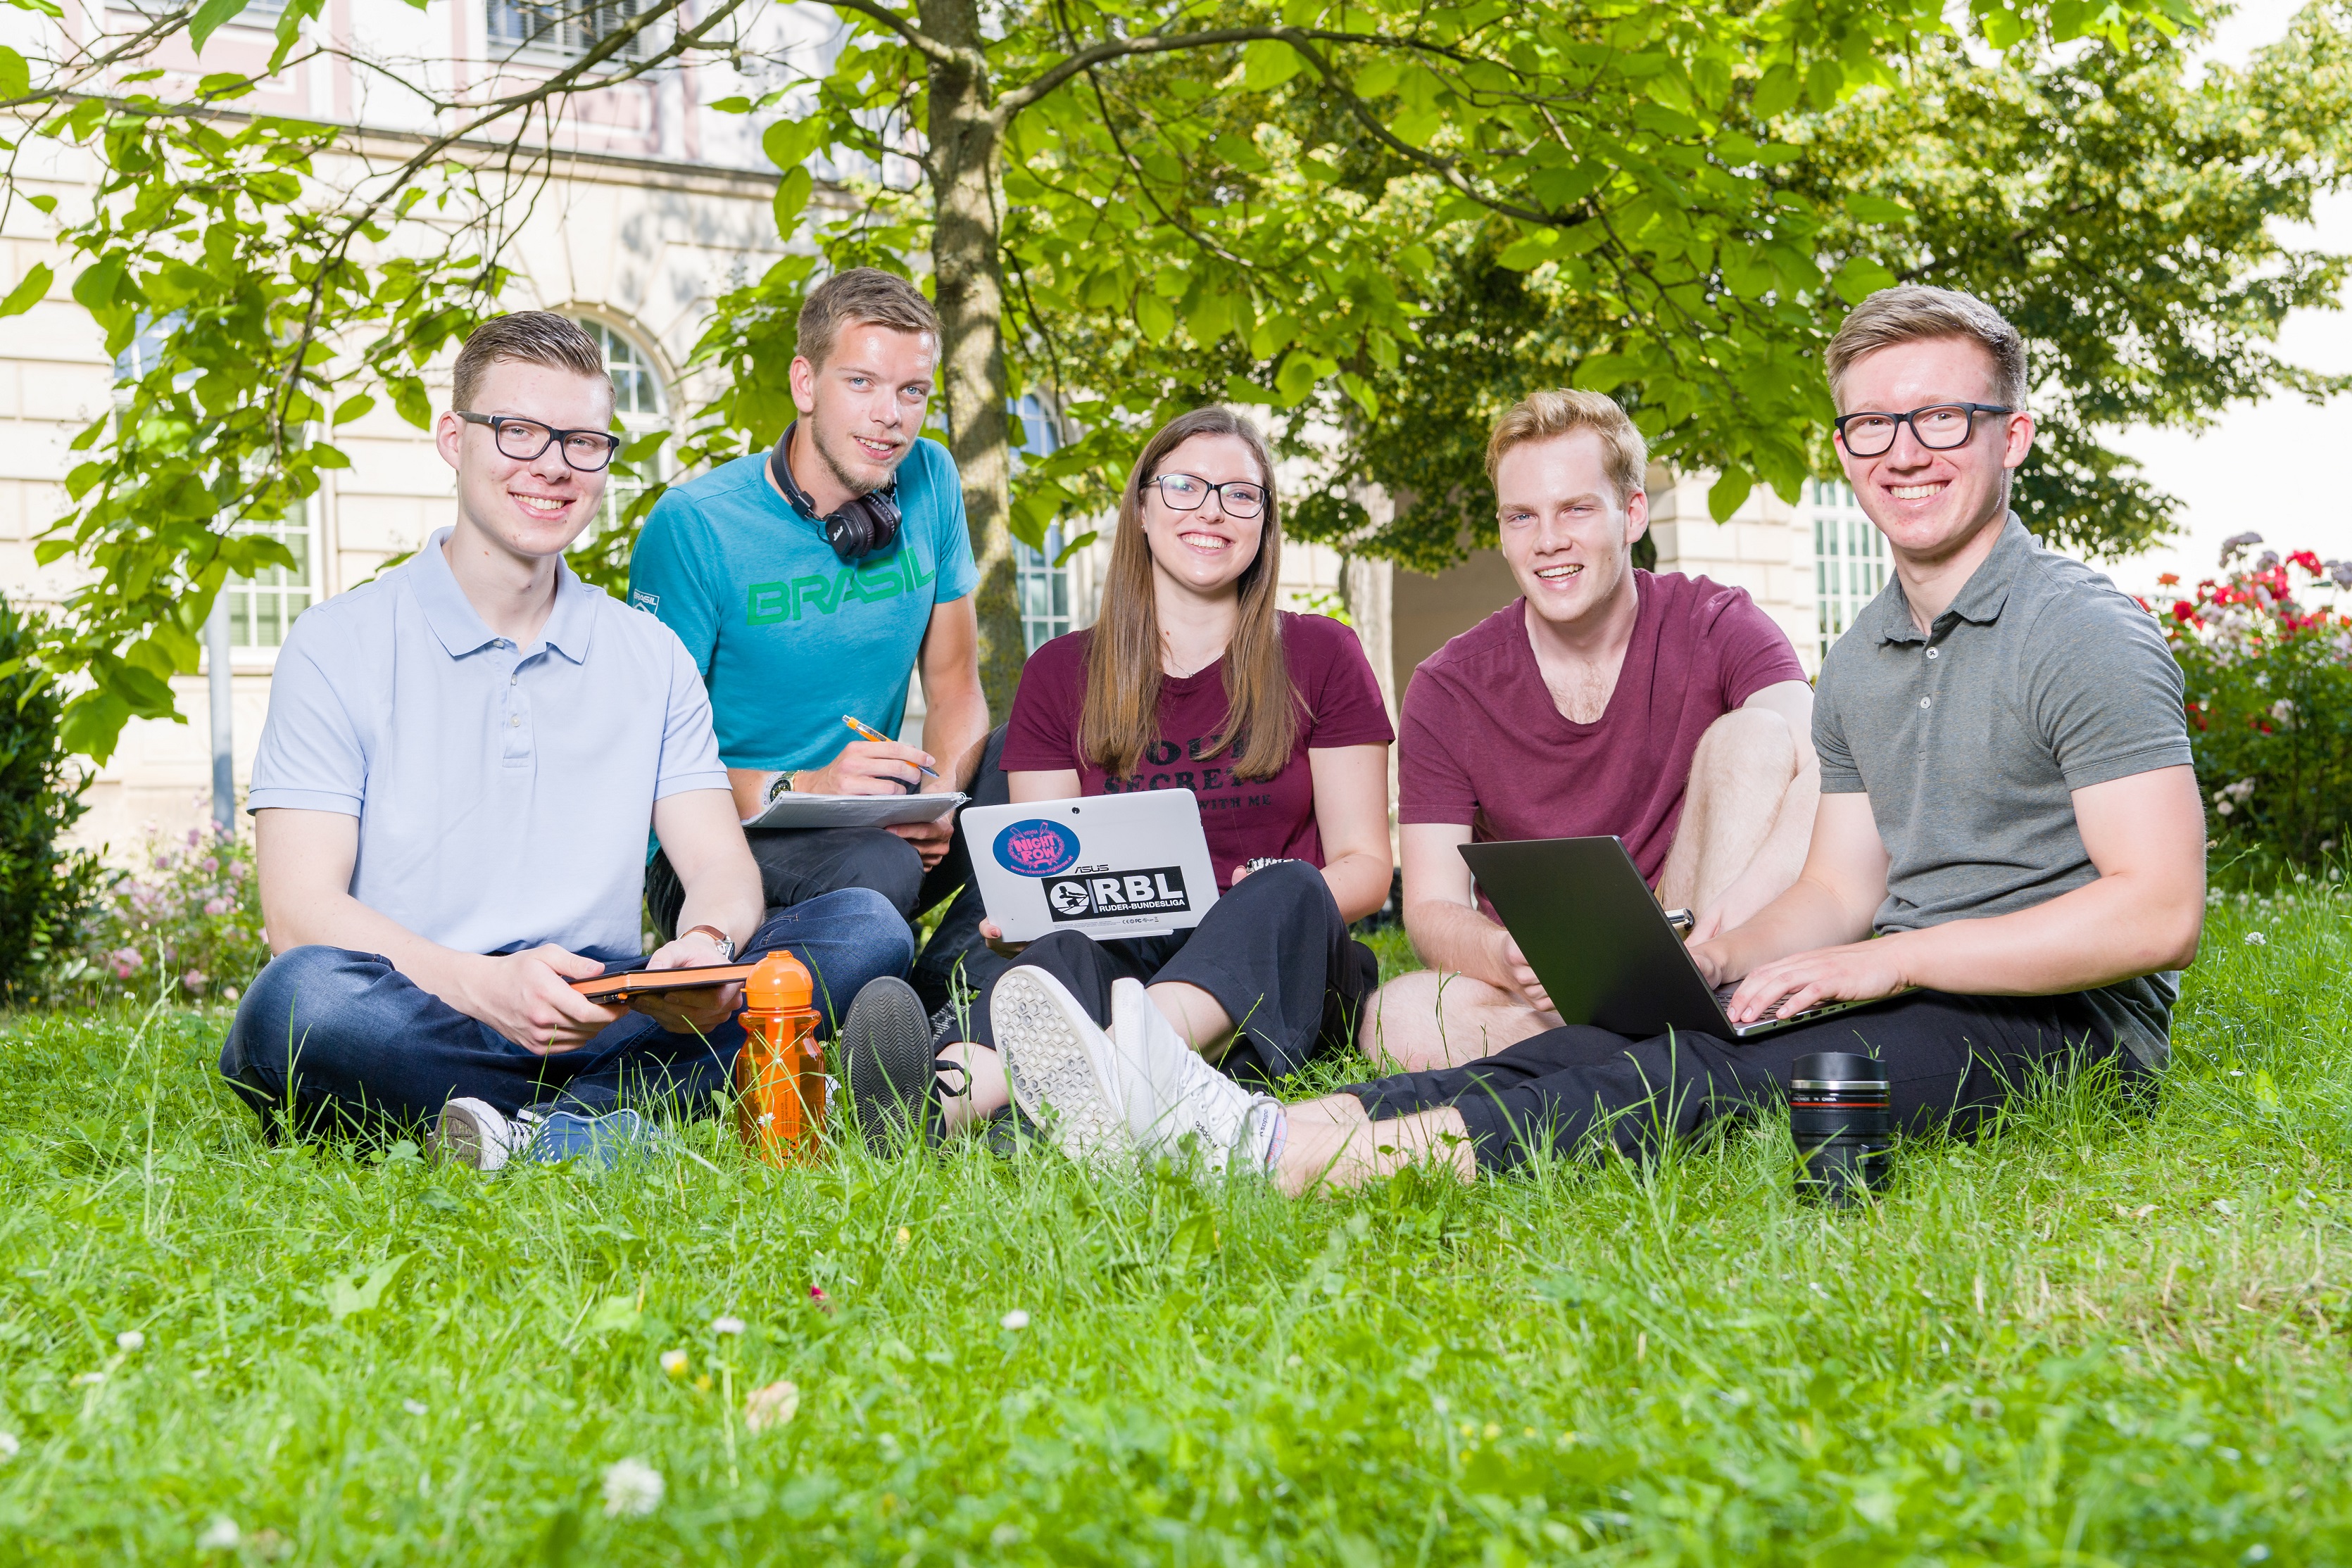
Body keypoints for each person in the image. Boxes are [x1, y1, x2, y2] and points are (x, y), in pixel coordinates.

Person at [988, 285, 2206, 1192]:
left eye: (1940, 419)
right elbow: (1840, 885)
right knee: (1621, 1037)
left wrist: (1887, 964)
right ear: (1841, 447)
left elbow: (2156, 911)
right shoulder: (1871, 648)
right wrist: (1726, 955)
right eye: (1869, 426)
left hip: (2067, 1029)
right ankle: (1236, 1115)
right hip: (1905, 974)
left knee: (1698, 1079)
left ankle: (1296, 1159)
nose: (1901, 451)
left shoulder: (2078, 631)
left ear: (2014, 434)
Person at [218, 312, 919, 1168]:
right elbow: (301, 913)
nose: (551, 465)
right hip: (419, 997)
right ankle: (601, 1119)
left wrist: (704, 951)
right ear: (455, 438)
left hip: (607, 1008)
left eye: (583, 441)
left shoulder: (647, 653)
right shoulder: (338, 642)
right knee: (299, 1002)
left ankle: (524, 1128)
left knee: (865, 928)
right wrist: (486, 985)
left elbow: (721, 868)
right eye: (518, 431)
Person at [880, 407, 1395, 1140]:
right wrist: (1022, 921)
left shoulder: (1323, 655)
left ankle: (1065, 1074)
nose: (1211, 511)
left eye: (1239, 494)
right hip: (1128, 946)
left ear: (1263, 521)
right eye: (1184, 486)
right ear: (1143, 508)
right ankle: (931, 1103)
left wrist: (1258, 898)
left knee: (1290, 885)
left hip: (1281, 957)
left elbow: (1367, 867)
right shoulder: (1061, 673)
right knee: (1065, 949)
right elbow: (1044, 868)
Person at [1364, 390, 1819, 1071]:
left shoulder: (1717, 620)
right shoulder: (1448, 684)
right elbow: (1429, 905)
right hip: (1558, 985)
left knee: (1755, 736)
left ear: (1631, 512)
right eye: (1522, 516)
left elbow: (1827, 772)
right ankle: (1666, 1057)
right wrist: (1500, 955)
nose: (1548, 540)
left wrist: (1715, 938)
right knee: (1395, 1016)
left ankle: (1664, 1029)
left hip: (1708, 931)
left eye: (1575, 508)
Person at [626, 267, 993, 979]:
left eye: (911, 390)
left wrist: (940, 799)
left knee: (1025, 770)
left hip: (878, 818)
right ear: (804, 383)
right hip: (716, 845)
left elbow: (953, 685)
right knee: (877, 862)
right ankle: (820, 986)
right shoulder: (695, 525)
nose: (891, 415)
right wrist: (808, 787)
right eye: (860, 382)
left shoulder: (933, 478)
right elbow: (647, 758)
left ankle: (943, 1003)